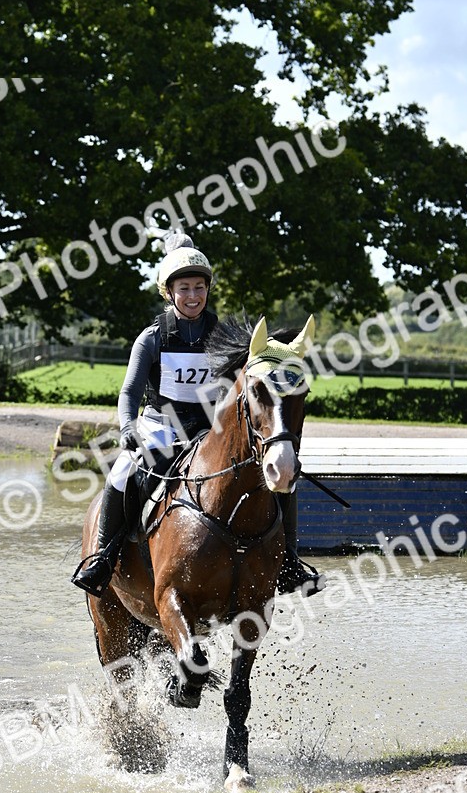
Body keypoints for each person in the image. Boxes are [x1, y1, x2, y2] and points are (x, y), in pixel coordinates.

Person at [71, 232, 322, 598]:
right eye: (185, 288)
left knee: (279, 476)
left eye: (199, 288)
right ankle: (103, 559)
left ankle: (288, 563)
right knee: (124, 473)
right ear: (169, 292)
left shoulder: (224, 336)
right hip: (161, 425)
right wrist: (127, 426)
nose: (193, 296)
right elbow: (129, 391)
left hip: (210, 427)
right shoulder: (152, 337)